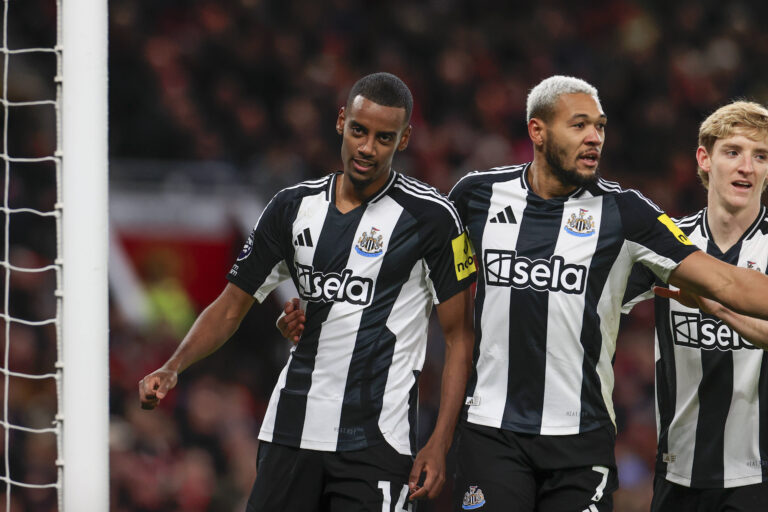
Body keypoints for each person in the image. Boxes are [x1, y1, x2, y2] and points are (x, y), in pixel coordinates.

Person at [279, 76, 768, 511]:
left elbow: (723, 281)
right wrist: (316, 309)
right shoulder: (476, 197)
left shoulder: (626, 213)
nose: (594, 137)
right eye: (579, 125)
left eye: (599, 126)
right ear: (538, 131)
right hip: (493, 433)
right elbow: (401, 274)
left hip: (582, 441)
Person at [138, 72, 477, 511]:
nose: (367, 147)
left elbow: (460, 337)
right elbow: (230, 306)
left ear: (405, 138)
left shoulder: (433, 219)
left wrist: (439, 442)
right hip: (290, 431)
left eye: (384, 137)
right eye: (359, 131)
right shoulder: (291, 208)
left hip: (376, 443)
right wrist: (173, 366)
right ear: (341, 121)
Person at [623, 101, 768, 511]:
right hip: (677, 474)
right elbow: (599, 314)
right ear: (704, 159)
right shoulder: (667, 245)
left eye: (761, 156)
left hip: (759, 477)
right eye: (733, 151)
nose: (747, 166)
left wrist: (716, 304)